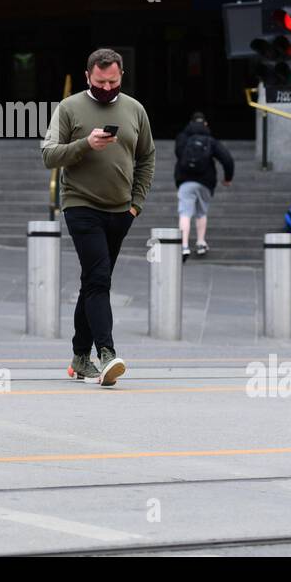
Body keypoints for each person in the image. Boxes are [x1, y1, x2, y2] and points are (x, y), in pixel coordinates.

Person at [42, 48, 155, 386]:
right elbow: (49, 155)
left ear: (122, 77)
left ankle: (79, 357)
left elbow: (147, 157)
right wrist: (86, 144)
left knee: (93, 281)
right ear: (88, 76)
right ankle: (106, 352)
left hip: (121, 210)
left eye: (114, 80)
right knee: (99, 278)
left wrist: (136, 203)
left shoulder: (134, 109)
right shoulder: (69, 108)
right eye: (101, 81)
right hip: (81, 206)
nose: (108, 86)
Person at [173, 112, 233, 259]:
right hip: (205, 181)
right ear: (205, 124)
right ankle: (200, 242)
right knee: (201, 213)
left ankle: (184, 245)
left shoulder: (182, 138)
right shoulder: (210, 140)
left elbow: (178, 154)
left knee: (185, 213)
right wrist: (227, 178)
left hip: (185, 180)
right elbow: (227, 159)